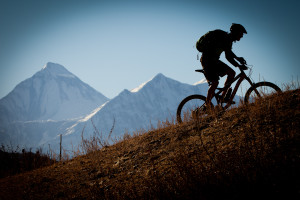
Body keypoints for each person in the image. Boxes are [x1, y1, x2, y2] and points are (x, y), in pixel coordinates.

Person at [197, 23, 248, 106]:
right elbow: (228, 56)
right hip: (208, 61)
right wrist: (238, 64)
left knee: (231, 73)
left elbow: (229, 54)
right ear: (236, 32)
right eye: (241, 34)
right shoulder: (225, 38)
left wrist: (238, 59)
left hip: (214, 61)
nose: (241, 36)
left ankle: (223, 97)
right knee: (215, 83)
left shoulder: (228, 40)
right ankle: (207, 104)